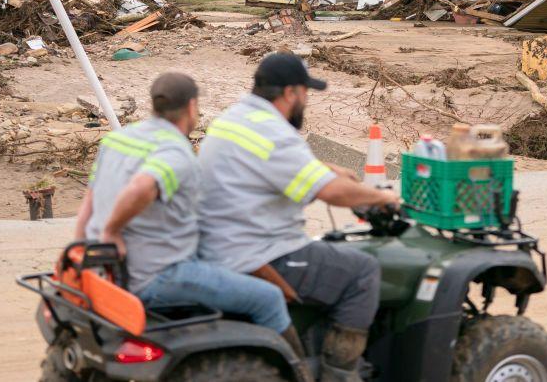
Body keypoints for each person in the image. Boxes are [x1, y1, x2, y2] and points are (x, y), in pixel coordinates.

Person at [198, 53, 400, 382]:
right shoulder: (276, 134)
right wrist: (382, 196)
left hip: (218, 244)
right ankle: (339, 374)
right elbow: (332, 193)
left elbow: (274, 165)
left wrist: (331, 170)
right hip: (258, 253)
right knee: (362, 271)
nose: (305, 102)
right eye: (306, 94)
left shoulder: (235, 118)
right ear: (291, 93)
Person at [73, 72, 301, 353]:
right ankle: (301, 371)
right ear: (192, 107)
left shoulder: (117, 140)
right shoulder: (176, 154)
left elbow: (87, 207)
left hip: (109, 274)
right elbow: (142, 187)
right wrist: (112, 231)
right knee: (269, 298)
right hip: (159, 275)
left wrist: (84, 252)